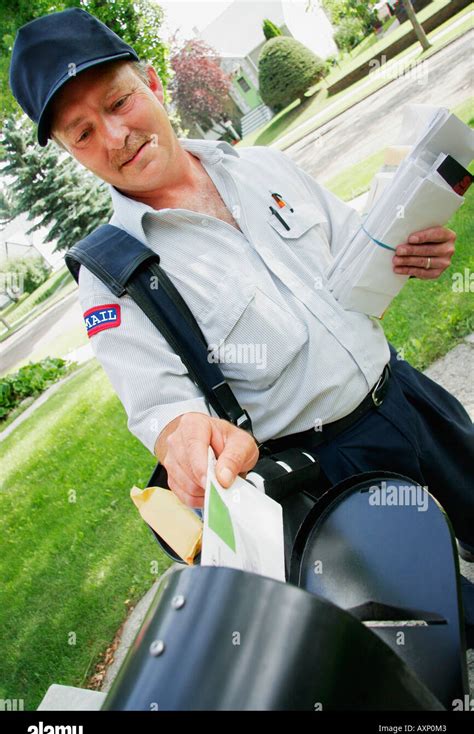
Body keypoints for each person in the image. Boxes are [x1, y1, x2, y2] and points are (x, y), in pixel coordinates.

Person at [9, 8, 474, 560]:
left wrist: (413, 251)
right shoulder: (111, 277)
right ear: (71, 153)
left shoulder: (263, 167)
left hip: (409, 394)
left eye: (118, 101)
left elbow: (361, 248)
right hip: (336, 470)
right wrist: (182, 439)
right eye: (83, 132)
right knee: (435, 625)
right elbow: (160, 404)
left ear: (152, 82)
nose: (115, 136)